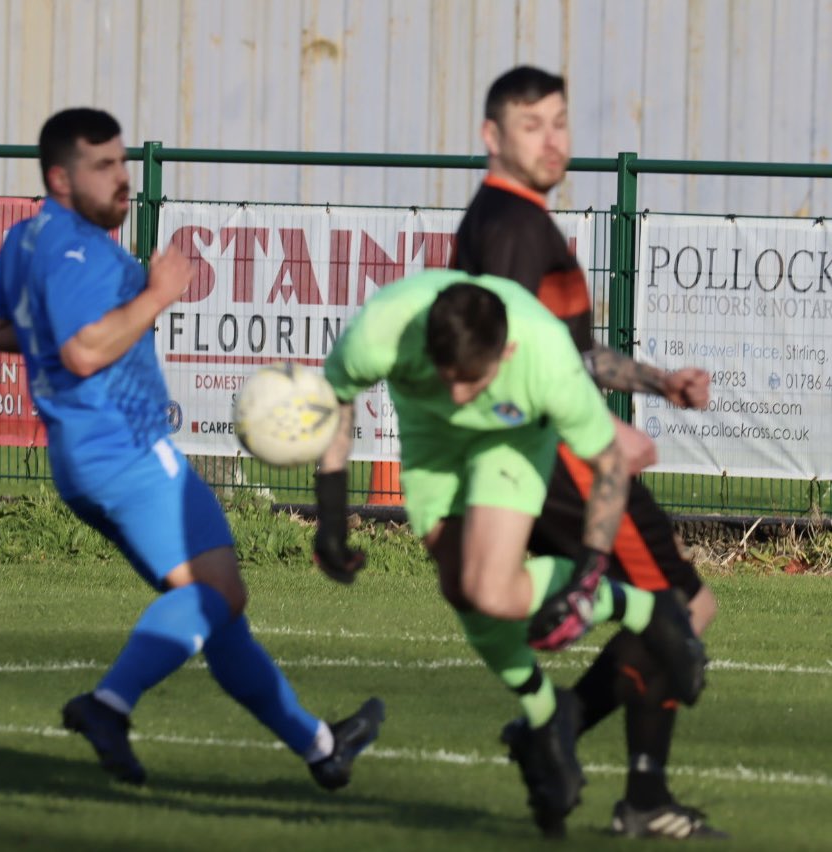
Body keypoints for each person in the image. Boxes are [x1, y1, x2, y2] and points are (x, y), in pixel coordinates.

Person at [0, 107, 383, 790]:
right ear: (59, 179)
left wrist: (55, 337)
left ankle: (319, 746)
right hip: (128, 450)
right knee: (219, 591)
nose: (122, 180)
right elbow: (81, 350)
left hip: (80, 460)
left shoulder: (25, 239)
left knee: (212, 610)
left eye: (122, 163)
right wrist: (158, 293)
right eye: (102, 167)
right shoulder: (79, 247)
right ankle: (108, 704)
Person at [312, 268, 706, 836]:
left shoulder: (543, 355)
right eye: (447, 377)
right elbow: (338, 400)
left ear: (508, 349)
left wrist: (588, 576)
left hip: (511, 441)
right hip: (432, 444)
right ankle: (546, 717)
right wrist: (330, 514)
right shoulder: (382, 330)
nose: (457, 396)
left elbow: (610, 465)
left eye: (471, 382)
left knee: (491, 588)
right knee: (460, 590)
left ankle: (649, 611)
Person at [453, 65, 725, 839]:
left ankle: (568, 730)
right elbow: (502, 363)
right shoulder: (509, 229)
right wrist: (603, 436)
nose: (552, 140)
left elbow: (564, 353)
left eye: (560, 122)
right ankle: (633, 789)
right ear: (491, 136)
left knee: (678, 608)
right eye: (531, 125)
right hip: (569, 465)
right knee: (679, 611)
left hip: (562, 455)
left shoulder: (522, 222)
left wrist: (653, 381)